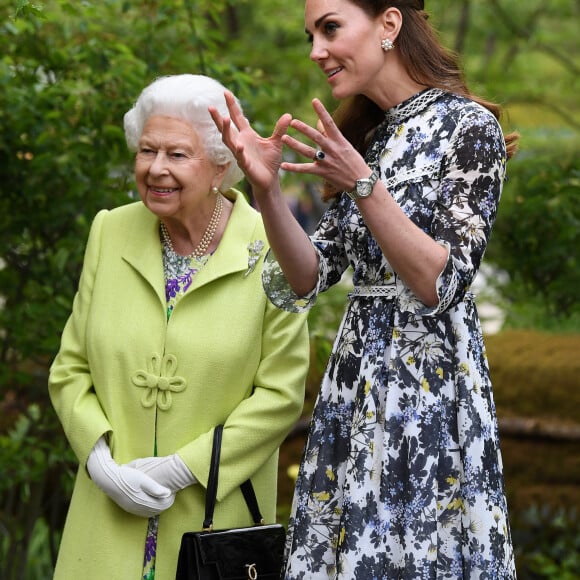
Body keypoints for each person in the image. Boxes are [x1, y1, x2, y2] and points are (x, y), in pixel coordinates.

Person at [209, 0, 519, 577]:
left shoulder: (467, 127)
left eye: (330, 29)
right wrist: (268, 190)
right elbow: (308, 275)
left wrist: (363, 183)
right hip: (356, 388)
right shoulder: (370, 136)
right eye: (310, 35)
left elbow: (440, 281)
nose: (315, 51)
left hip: (428, 395)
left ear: (389, 25)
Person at [48, 74, 309, 580]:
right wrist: (100, 462)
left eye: (176, 155)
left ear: (219, 166)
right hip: (108, 515)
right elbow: (70, 367)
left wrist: (180, 468)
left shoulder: (274, 247)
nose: (156, 169)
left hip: (212, 527)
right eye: (147, 151)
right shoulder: (110, 230)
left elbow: (280, 395)